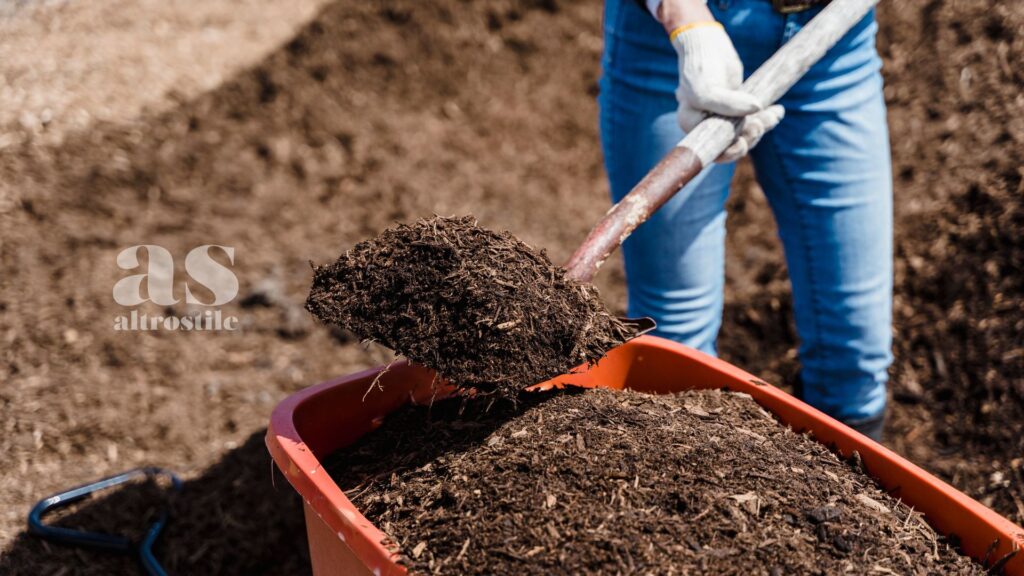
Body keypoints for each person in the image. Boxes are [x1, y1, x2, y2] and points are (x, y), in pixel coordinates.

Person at [599, 0, 891, 440]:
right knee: (675, 341)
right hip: (676, 42)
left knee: (855, 349)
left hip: (834, 36)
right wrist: (686, 22)